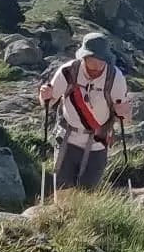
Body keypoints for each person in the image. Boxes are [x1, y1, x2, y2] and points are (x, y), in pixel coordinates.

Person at [39, 32, 132, 191]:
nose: (96, 67)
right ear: (83, 57)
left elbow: (125, 118)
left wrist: (124, 113)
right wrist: (44, 96)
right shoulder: (68, 71)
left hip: (98, 143)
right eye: (92, 61)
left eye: (101, 62)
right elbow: (48, 102)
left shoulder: (115, 77)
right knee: (62, 191)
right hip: (67, 140)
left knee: (88, 192)